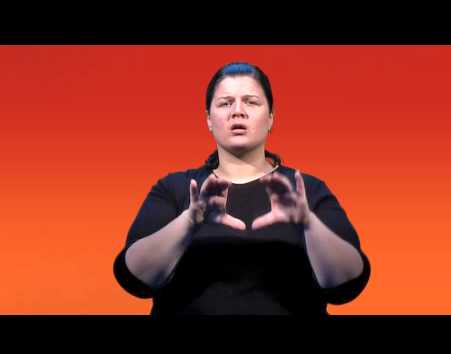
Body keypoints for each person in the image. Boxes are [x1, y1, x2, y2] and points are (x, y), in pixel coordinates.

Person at [113, 62, 371, 316]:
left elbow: (346, 285)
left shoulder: (306, 191)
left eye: (251, 102)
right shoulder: (176, 188)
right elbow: (136, 279)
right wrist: (189, 221)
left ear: (271, 118)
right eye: (225, 103)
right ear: (208, 120)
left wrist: (308, 223)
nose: (238, 111)